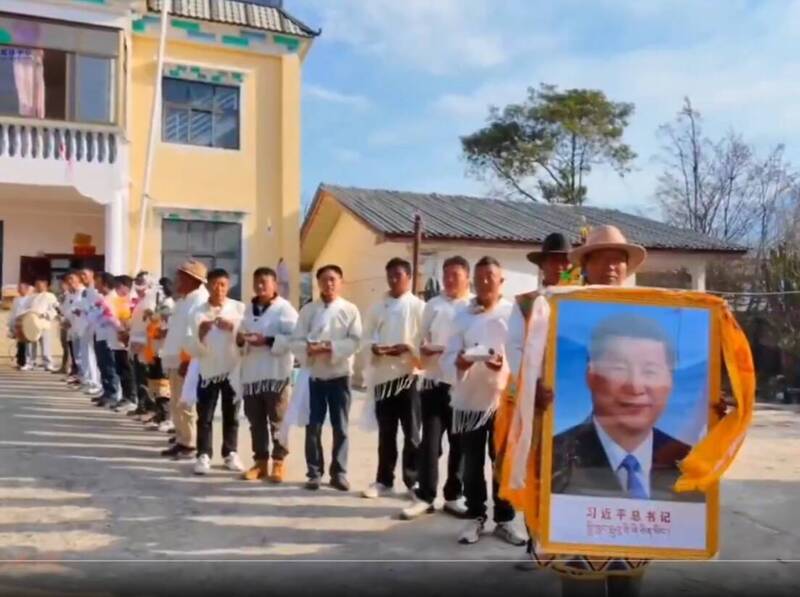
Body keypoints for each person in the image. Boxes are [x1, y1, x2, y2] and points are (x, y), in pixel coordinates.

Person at [531, 225, 653, 597]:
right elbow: (528, 367)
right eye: (602, 259)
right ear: (586, 265)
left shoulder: (650, 312)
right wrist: (532, 396)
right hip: (576, 470)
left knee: (628, 582)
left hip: (637, 501)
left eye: (619, 259)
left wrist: (708, 408)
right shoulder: (556, 310)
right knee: (579, 578)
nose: (611, 266)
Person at [551, 313, 700, 502]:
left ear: (671, 381)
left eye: (650, 371)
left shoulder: (691, 462)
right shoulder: (554, 455)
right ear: (591, 376)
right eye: (619, 369)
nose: (635, 387)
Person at [442, 257, 526, 547]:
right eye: (479, 278)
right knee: (471, 462)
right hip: (470, 400)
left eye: (491, 276)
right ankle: (475, 515)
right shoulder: (462, 315)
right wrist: (461, 362)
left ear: (501, 281)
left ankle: (505, 518)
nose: (485, 282)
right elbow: (449, 355)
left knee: (502, 461)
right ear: (473, 282)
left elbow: (521, 352)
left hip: (504, 400)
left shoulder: (513, 313)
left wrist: (502, 365)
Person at [501, 232, 571, 569]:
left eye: (565, 260)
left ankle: (570, 539)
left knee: (572, 472)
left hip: (574, 400)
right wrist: (534, 385)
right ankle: (536, 543)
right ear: (542, 265)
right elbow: (514, 348)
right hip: (538, 402)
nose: (560, 266)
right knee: (536, 472)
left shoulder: (584, 300)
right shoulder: (526, 303)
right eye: (553, 260)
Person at [401, 255, 472, 520]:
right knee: (430, 442)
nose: (449, 280)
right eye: (446, 275)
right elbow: (419, 338)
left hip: (461, 385)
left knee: (459, 444)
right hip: (433, 382)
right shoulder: (433, 305)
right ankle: (425, 495)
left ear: (467, 277)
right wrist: (423, 349)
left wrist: (450, 352)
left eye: (455, 275)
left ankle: (453, 495)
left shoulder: (473, 307)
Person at [291, 264, 362, 491]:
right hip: (315, 375)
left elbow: (356, 341)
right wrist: (309, 349)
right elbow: (296, 340)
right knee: (313, 426)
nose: (329, 284)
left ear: (341, 282)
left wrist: (331, 347)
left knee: (341, 426)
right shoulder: (308, 310)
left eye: (333, 279)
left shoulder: (350, 310)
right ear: (318, 283)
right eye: (324, 280)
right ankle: (314, 472)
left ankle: (339, 473)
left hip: (340, 375)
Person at [362, 258, 425, 499]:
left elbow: (426, 341)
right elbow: (366, 337)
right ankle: (383, 480)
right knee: (386, 433)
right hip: (384, 377)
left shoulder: (419, 307)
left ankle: (413, 482)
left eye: (398, 275)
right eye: (390, 275)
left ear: (409, 277)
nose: (393, 279)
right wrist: (374, 348)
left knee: (412, 433)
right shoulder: (377, 308)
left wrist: (409, 348)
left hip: (409, 376)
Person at [238, 267, 298, 483]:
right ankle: (260, 462)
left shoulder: (284, 309)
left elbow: (295, 337)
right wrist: (241, 339)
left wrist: (268, 340)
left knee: (278, 420)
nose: (260, 286)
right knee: (256, 421)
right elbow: (241, 334)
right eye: (257, 282)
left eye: (264, 282)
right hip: (252, 375)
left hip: (276, 374)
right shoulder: (248, 310)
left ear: (275, 285)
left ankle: (279, 462)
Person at [189, 268, 246, 475]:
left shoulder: (239, 308)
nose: (219, 289)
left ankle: (230, 452)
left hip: (232, 369)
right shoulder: (197, 312)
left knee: (231, 414)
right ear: (207, 286)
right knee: (205, 415)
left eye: (222, 285)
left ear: (228, 286)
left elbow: (246, 338)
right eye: (214, 284)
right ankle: (203, 454)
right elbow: (190, 344)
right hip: (208, 369)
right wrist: (200, 334)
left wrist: (234, 328)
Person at [161, 260, 208, 461]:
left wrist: (187, 360)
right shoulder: (184, 300)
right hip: (174, 358)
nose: (177, 281)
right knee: (176, 403)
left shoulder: (199, 301)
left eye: (181, 277)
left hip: (186, 360)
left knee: (186, 404)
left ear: (192, 280)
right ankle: (181, 438)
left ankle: (189, 443)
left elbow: (194, 334)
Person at [89, 273, 122, 408]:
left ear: (105, 283)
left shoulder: (114, 298)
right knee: (102, 365)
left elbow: (114, 317)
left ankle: (113, 394)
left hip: (109, 336)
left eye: (97, 282)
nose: (95, 285)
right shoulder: (103, 298)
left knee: (109, 366)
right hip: (100, 334)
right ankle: (106, 391)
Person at [108, 275, 136, 411]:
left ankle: (131, 397)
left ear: (127, 287)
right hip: (117, 338)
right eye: (116, 287)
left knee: (127, 369)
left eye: (119, 287)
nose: (117, 290)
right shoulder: (117, 300)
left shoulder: (132, 301)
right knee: (120, 369)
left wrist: (125, 331)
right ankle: (125, 396)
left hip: (127, 339)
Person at [76, 268, 102, 397]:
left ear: (92, 275)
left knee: (92, 354)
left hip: (94, 325)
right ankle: (87, 379)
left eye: (85, 275)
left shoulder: (96, 291)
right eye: (81, 275)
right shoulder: (85, 291)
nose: (83, 277)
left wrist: (86, 310)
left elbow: (98, 307)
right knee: (85, 353)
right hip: (84, 325)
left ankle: (95, 382)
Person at [26, 275, 59, 372]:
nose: (38, 286)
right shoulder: (31, 297)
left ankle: (48, 363)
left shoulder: (50, 296)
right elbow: (26, 308)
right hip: (32, 324)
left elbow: (55, 309)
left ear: (45, 285)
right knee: (31, 345)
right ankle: (30, 363)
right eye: (36, 285)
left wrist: (45, 314)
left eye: (40, 284)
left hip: (44, 323)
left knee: (45, 345)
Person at [8, 282, 33, 370]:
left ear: (26, 289)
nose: (19, 290)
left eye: (21, 288)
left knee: (26, 344)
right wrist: (11, 325)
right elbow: (13, 312)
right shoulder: (16, 299)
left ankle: (28, 362)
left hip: (25, 323)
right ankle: (20, 362)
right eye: (18, 288)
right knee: (19, 344)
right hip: (17, 324)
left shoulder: (30, 299)